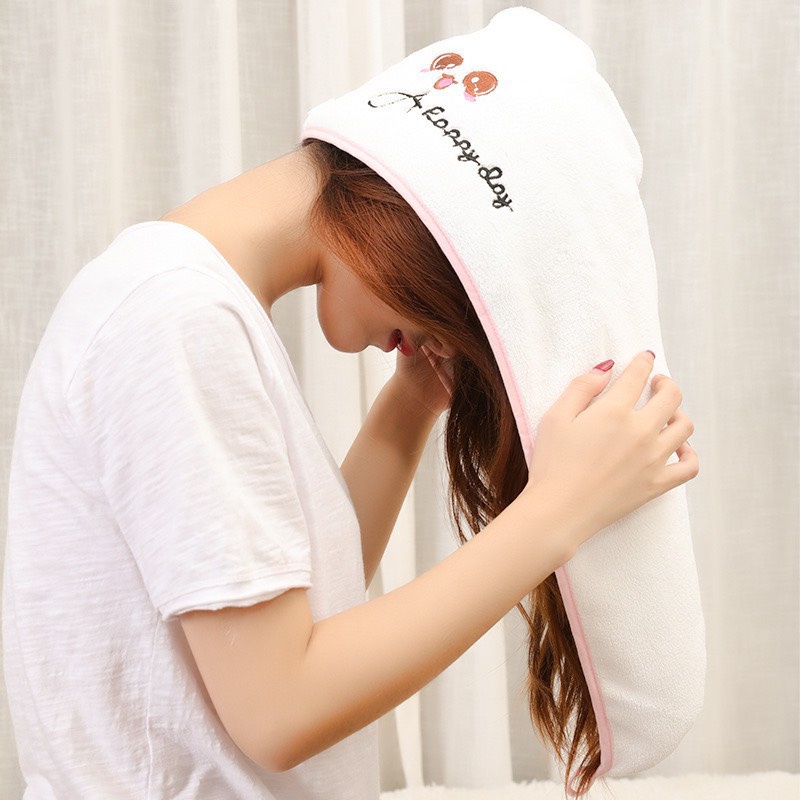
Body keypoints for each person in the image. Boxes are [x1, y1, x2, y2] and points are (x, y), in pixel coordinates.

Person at [3, 138, 698, 799]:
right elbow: (280, 709)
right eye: (466, 286)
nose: (454, 325)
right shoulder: (178, 319)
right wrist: (560, 509)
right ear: (420, 204)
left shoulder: (180, 300)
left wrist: (411, 403)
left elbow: (298, 610)